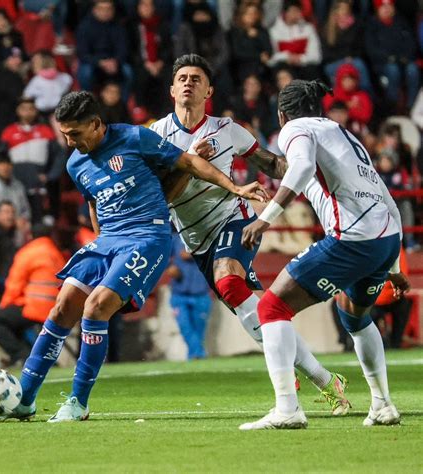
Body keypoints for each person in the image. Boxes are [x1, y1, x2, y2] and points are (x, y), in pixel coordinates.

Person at [0, 90, 264, 422]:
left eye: (75, 134)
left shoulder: (135, 137)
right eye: (65, 134)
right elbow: (93, 201)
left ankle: (78, 402)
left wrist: (236, 187)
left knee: (96, 307)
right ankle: (24, 399)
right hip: (108, 240)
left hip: (148, 237)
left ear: (96, 124)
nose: (69, 142)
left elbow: (188, 162)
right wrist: (100, 242)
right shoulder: (75, 163)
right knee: (62, 306)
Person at [150, 54, 351, 415]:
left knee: (229, 284)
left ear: (208, 90)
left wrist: (315, 168)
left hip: (234, 220)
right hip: (196, 241)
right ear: (171, 88)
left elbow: (272, 163)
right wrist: (192, 160)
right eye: (181, 77)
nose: (188, 82)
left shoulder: (228, 129)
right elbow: (161, 196)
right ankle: (326, 381)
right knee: (264, 316)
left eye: (196, 78)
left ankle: (290, 397)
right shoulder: (156, 135)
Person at [240, 79, 410, 430]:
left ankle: (287, 408)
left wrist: (265, 219)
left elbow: (300, 169)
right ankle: (382, 405)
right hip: (385, 239)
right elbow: (387, 198)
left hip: (352, 239)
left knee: (272, 308)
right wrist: (393, 265)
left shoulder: (295, 129)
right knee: (354, 317)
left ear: (282, 114)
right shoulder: (344, 135)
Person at [0, 223, 66, 367]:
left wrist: (4, 306)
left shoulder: (28, 252)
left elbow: (14, 284)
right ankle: (38, 358)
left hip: (36, 308)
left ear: (30, 235)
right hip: (56, 309)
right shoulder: (56, 253)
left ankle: (23, 356)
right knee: (14, 323)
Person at [167, 232, 212, 360]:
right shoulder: (175, 239)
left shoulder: (206, 237)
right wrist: (169, 267)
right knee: (184, 326)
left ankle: (194, 356)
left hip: (201, 292)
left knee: (199, 329)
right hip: (179, 293)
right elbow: (161, 256)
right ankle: (199, 354)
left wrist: (193, 254)